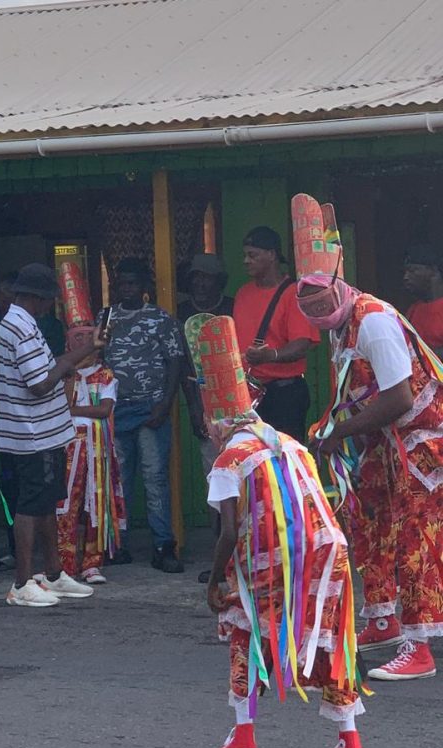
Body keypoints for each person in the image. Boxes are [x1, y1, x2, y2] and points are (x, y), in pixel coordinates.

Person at [193, 314, 365, 748]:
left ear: (216, 421)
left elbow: (229, 531)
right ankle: (350, 740)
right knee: (331, 638)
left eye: (208, 422)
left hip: (276, 558)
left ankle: (243, 732)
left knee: (246, 630)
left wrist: (214, 581)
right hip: (329, 552)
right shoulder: (289, 442)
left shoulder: (228, 460)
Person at [294, 192, 443, 682]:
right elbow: (356, 390)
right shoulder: (341, 322)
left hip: (422, 442)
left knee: (416, 538)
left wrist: (339, 431)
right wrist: (337, 429)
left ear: (340, 289)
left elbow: (400, 398)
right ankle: (382, 619)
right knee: (368, 520)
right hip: (384, 442)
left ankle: (419, 647)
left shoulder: (373, 320)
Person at [0, 262, 101, 606]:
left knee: (45, 502)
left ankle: (53, 574)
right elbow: (40, 383)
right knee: (31, 503)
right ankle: (21, 583)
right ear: (37, 298)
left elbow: (45, 369)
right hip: (32, 432)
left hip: (44, 430)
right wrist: (69, 363)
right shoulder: (20, 326)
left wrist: (85, 350)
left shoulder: (24, 322)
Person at [100, 257, 185, 573]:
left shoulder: (160, 319)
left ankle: (163, 546)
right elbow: (95, 357)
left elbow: (176, 361)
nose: (127, 289)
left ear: (144, 286)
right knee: (118, 480)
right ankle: (117, 545)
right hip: (115, 409)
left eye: (132, 283)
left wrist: (166, 404)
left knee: (154, 477)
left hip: (151, 409)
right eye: (122, 283)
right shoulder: (105, 319)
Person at [55, 262, 126, 584]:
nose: (84, 344)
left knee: (96, 502)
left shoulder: (105, 374)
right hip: (68, 447)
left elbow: (104, 410)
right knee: (66, 504)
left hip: (96, 448)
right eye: (78, 339)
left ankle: (92, 563)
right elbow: (61, 403)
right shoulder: (61, 373)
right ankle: (66, 563)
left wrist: (74, 410)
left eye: (89, 337)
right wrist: (70, 374)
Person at [233, 226, 319, 443]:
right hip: (247, 394)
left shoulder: (293, 293)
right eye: (245, 255)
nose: (246, 261)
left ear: (271, 255)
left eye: (252, 255)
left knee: (285, 455)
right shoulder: (243, 293)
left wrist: (269, 356)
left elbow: (302, 344)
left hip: (283, 393)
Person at [177, 254, 233, 583]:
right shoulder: (182, 313)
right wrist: (195, 410)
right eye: (195, 277)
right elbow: (183, 368)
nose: (200, 283)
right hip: (203, 408)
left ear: (218, 281)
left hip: (237, 406)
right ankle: (220, 556)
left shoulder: (232, 308)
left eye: (206, 277)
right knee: (216, 483)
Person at [402, 244, 443, 354]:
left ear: (433, 270)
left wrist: (421, 355)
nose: (406, 277)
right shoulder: (413, 310)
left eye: (413, 270)